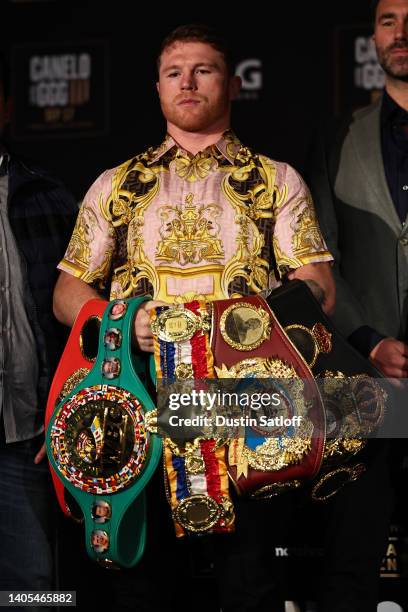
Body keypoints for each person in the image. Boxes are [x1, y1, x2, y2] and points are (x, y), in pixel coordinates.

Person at [53, 24, 335, 611]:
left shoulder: (276, 181)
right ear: (157, 88)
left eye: (203, 70)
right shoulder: (114, 186)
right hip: (141, 399)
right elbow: (67, 292)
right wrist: (122, 322)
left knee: (250, 583)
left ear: (232, 83)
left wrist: (227, 331)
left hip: (246, 408)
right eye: (174, 71)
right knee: (143, 586)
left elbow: (317, 288)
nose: (187, 81)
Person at [306, 0, 408, 609]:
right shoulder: (335, 137)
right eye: (389, 19)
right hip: (357, 381)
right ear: (373, 36)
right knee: (349, 570)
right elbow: (319, 262)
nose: (403, 33)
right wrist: (369, 340)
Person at [0, 53, 78, 601]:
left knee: (35, 591)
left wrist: (62, 414)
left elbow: (80, 329)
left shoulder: (49, 196)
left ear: (6, 107)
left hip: (24, 439)